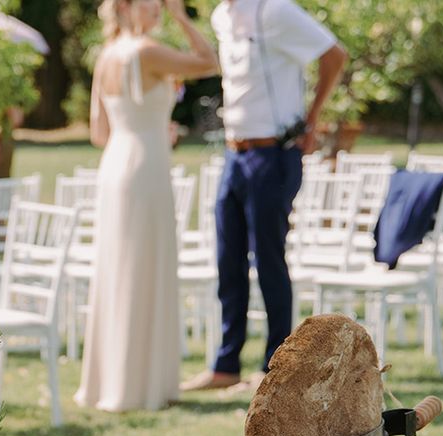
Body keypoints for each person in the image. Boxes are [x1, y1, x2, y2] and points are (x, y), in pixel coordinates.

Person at [180, 0, 347, 394]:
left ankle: (275, 366)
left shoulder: (276, 11)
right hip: (234, 153)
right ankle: (226, 365)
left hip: (273, 153)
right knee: (227, 257)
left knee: (269, 258)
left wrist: (312, 119)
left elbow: (335, 55)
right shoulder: (222, 16)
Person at [75, 0, 219, 413]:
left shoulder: (106, 55)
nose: (158, 6)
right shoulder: (146, 51)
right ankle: (140, 386)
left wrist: (149, 127)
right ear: (125, 6)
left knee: (120, 271)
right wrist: (181, 17)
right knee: (144, 269)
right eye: (152, 2)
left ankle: (114, 384)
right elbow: (209, 62)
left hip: (115, 165)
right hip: (145, 169)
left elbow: (99, 132)